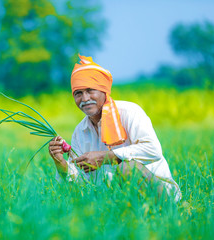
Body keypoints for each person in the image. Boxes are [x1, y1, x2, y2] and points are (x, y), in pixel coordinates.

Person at [48, 54, 181, 202]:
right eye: (78, 93)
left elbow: (153, 150)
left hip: (160, 194)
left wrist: (105, 157)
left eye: (90, 90)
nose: (85, 99)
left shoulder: (129, 112)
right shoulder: (80, 132)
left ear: (104, 91)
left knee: (127, 168)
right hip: (115, 200)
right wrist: (61, 164)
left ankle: (175, 208)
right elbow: (80, 182)